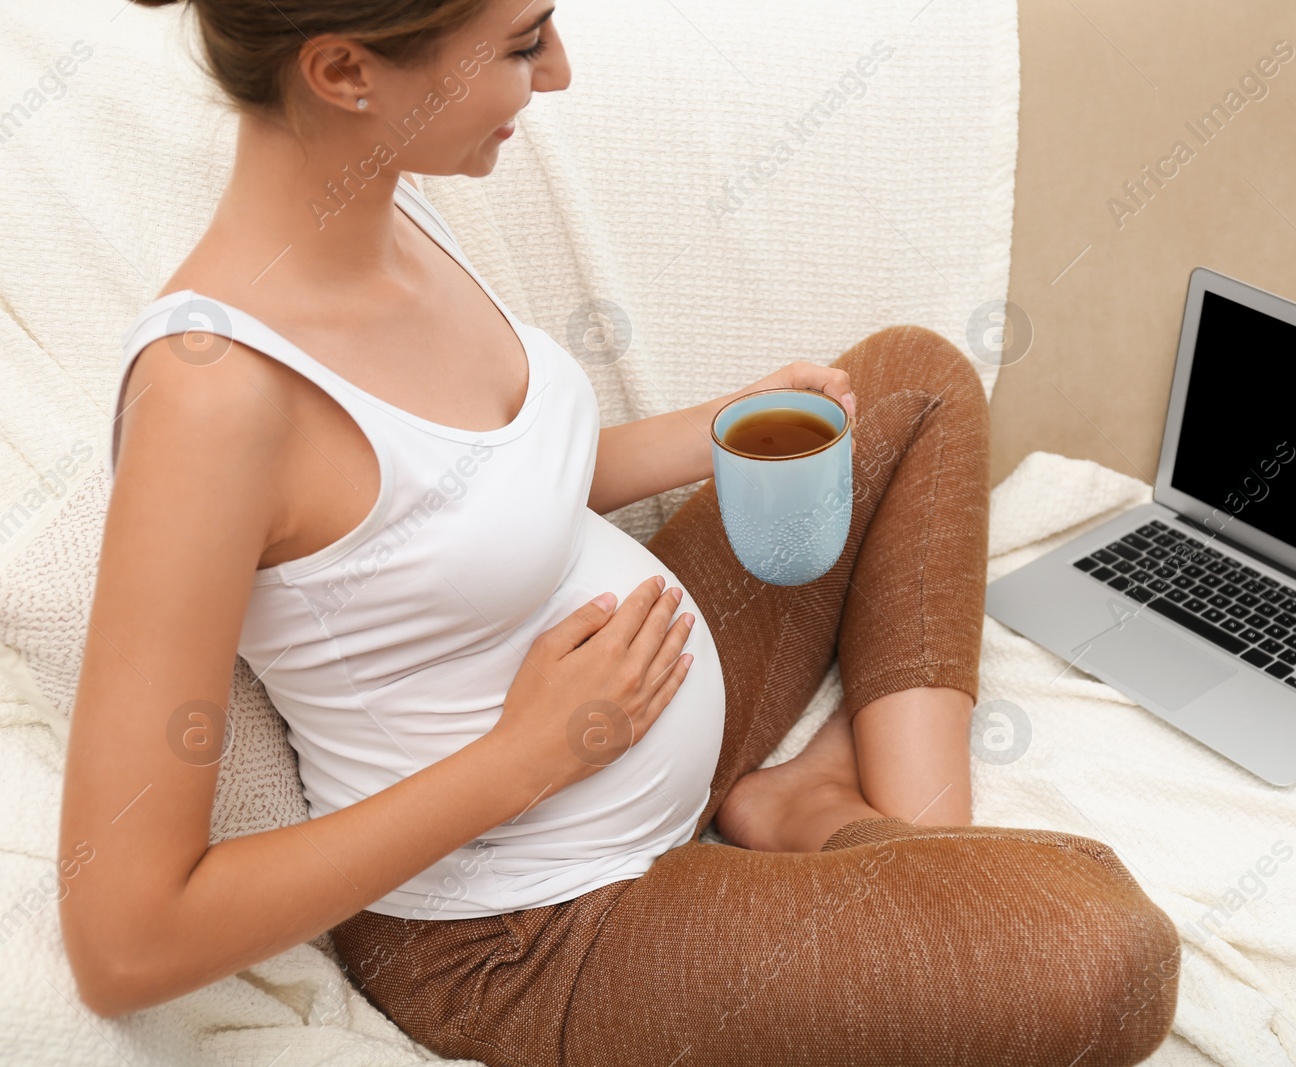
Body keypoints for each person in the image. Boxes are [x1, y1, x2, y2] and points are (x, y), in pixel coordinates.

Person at [59, 0, 1180, 1062]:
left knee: (912, 381)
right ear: (346, 70)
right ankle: (895, 863)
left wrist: (719, 430)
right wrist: (528, 756)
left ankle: (853, 819)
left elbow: (467, 501)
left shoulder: (399, 203)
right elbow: (125, 943)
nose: (556, 73)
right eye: (521, 43)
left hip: (648, 696)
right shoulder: (213, 400)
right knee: (1107, 957)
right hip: (527, 924)